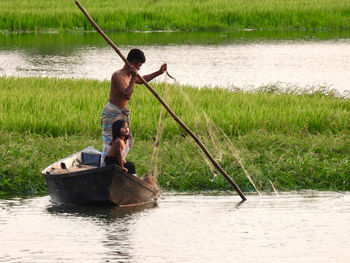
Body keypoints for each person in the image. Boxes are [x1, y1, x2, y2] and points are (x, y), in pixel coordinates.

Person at [101, 48, 167, 166]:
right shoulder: (118, 76)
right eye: (139, 66)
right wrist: (133, 77)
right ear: (133, 63)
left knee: (125, 141)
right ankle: (104, 168)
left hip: (122, 114)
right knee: (110, 143)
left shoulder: (130, 75)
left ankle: (118, 165)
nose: (139, 68)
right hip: (112, 113)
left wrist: (159, 72)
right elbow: (127, 95)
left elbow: (142, 80)